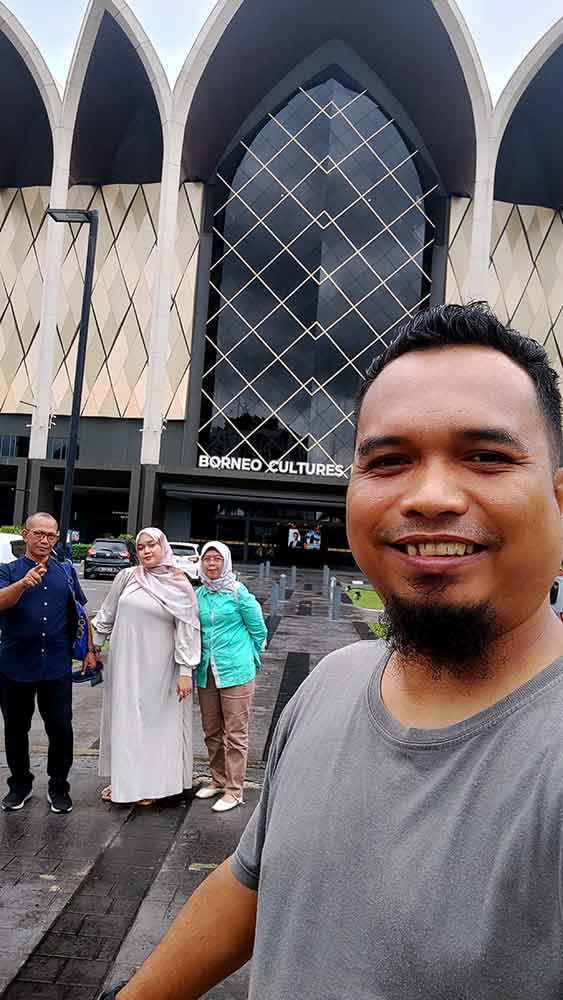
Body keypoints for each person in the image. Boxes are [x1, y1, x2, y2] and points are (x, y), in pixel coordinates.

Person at [106, 301, 563, 999]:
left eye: (486, 457)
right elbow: (254, 884)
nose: (430, 497)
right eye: (388, 461)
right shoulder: (331, 683)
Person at [92, 528, 200, 805]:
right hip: (125, 663)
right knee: (126, 720)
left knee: (156, 723)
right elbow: (106, 614)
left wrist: (185, 672)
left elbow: (187, 629)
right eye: (141, 547)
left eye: (152, 545)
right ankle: (125, 782)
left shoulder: (180, 584)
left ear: (163, 547)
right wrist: (94, 647)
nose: (147, 551)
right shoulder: (128, 577)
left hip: (161, 667)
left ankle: (152, 786)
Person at [0, 512, 94, 814]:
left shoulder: (65, 572)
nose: (45, 540)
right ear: (25, 535)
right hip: (15, 665)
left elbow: (80, 611)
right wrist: (23, 584)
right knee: (16, 729)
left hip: (56, 665)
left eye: (51, 535)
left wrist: (90, 650)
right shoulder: (8, 570)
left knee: (61, 729)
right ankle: (20, 785)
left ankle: (59, 786)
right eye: (39, 533)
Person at [194, 542, 267, 813]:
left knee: (236, 733)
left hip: (236, 671)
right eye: (207, 559)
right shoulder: (199, 595)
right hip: (207, 672)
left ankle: (235, 790)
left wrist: (250, 658)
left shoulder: (238, 593)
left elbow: (258, 630)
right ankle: (218, 780)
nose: (211, 564)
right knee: (211, 730)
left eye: (217, 559)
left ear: (226, 562)